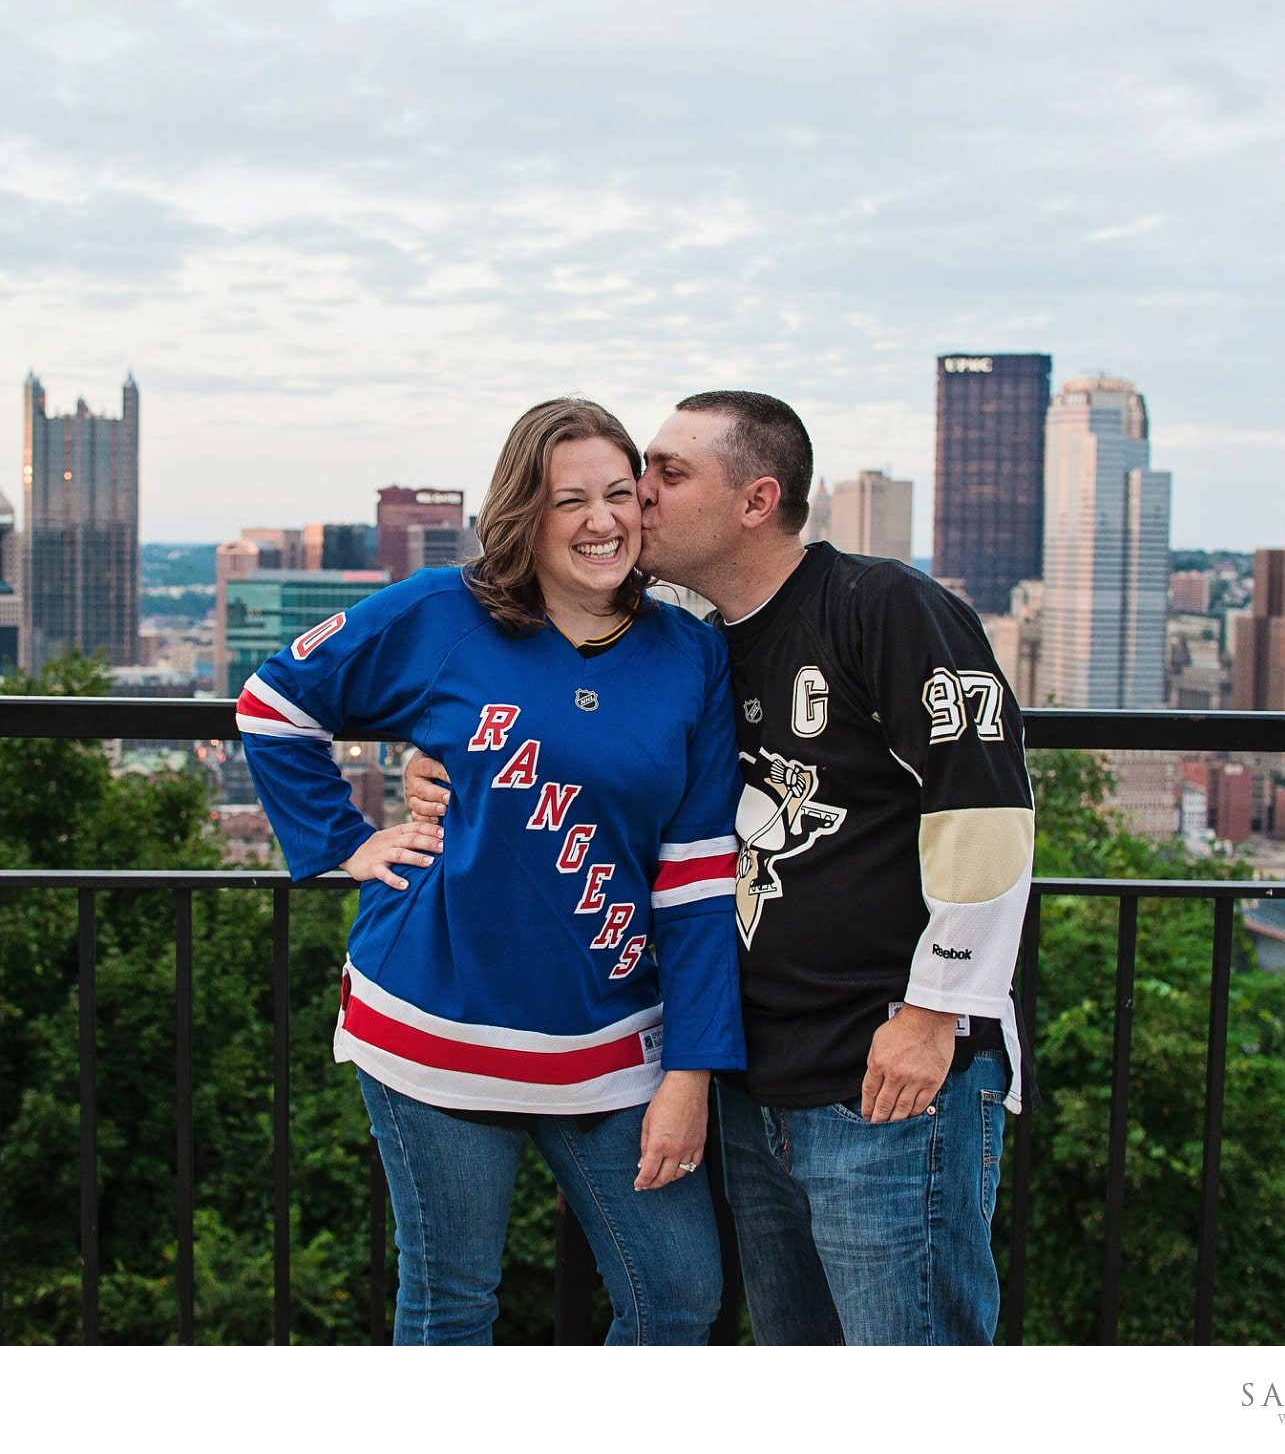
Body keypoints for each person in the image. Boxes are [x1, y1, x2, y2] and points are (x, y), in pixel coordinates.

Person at [405, 388, 1033, 1346]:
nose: (636, 498)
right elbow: (568, 752)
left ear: (754, 500)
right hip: (753, 1087)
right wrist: (439, 762)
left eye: (667, 473)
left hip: (888, 1081)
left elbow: (984, 811)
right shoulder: (695, 651)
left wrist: (933, 1014)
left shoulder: (884, 606)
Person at [236, 397, 743, 1346]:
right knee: (452, 1307)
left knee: (678, 1295)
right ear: (524, 514)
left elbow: (698, 876)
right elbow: (273, 706)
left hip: (613, 1042)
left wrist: (693, 1071)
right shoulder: (442, 614)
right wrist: (348, 843)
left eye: (621, 495)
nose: (602, 522)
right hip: (434, 1028)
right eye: (570, 501)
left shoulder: (693, 657)